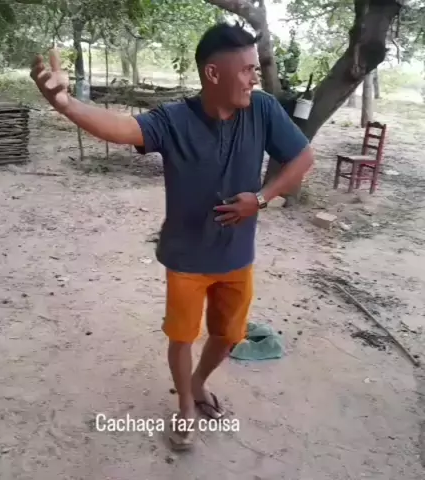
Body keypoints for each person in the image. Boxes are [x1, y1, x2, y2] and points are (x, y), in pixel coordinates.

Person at [30, 22, 314, 451]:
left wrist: (261, 198)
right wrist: (66, 104)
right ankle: (184, 404)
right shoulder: (175, 120)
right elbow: (121, 127)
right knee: (182, 337)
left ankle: (199, 383)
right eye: (246, 69)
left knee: (229, 335)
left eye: (255, 69)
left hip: (237, 255)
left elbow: (303, 157)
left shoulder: (263, 109)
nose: (254, 78)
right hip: (186, 257)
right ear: (213, 73)